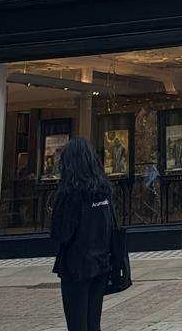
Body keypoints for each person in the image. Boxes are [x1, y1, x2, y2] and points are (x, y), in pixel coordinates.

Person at [51, 137, 114, 331]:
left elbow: (61, 233)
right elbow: (111, 226)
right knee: (94, 322)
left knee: (77, 324)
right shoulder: (103, 190)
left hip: (76, 266)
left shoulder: (69, 193)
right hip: (100, 263)